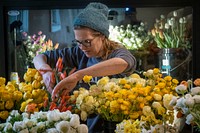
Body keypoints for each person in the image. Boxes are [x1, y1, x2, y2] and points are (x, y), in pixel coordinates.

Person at [33, 2, 136, 133]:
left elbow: (124, 62)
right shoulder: (79, 53)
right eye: (78, 42)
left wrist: (78, 75)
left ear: (102, 36)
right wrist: (45, 71)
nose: (82, 47)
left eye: (87, 41)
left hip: (116, 128)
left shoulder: (117, 53)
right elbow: (39, 57)